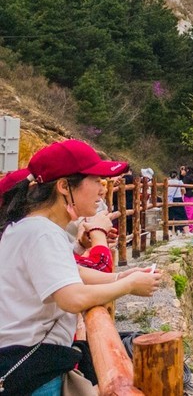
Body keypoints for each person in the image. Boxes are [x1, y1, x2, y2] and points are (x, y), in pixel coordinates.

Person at [0, 139, 161, 395]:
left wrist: (120, 276)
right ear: (65, 186)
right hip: (33, 371)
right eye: (95, 180)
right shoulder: (43, 233)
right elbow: (71, 298)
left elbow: (67, 274)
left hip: (20, 362)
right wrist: (127, 285)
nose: (102, 189)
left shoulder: (25, 227)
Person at [167, 169, 186, 234]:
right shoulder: (180, 182)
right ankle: (179, 230)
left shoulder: (167, 182)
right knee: (180, 215)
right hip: (178, 198)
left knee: (170, 215)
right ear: (177, 175)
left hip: (169, 199)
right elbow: (184, 191)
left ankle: (169, 230)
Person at [181, 166, 193, 233]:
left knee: (188, 212)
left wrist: (182, 175)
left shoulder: (187, 177)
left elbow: (182, 184)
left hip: (188, 196)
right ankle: (192, 228)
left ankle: (188, 229)